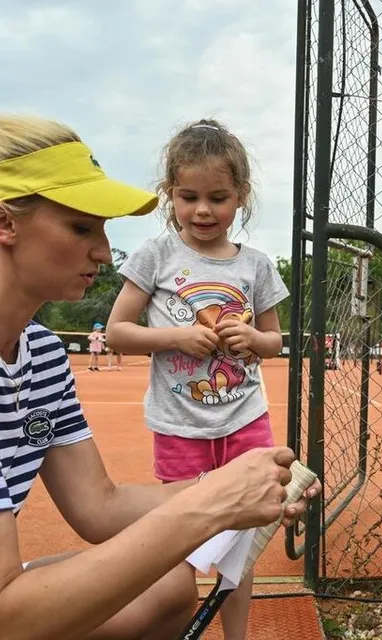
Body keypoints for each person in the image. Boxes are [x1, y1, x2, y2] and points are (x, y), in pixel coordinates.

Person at [0, 114, 320, 640]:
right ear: (6, 222)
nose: (105, 252)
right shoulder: (157, 262)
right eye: (82, 227)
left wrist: (241, 494)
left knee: (171, 587)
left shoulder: (43, 354)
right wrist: (208, 504)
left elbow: (99, 508)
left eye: (103, 230)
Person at [106, 118, 290, 640]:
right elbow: (119, 330)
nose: (203, 210)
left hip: (244, 418)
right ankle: (177, 626)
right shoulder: (155, 255)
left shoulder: (255, 266)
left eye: (218, 197)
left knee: (242, 540)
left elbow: (277, 341)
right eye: (188, 197)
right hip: (180, 422)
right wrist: (176, 338)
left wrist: (254, 341)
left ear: (241, 198)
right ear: (170, 195)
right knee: (182, 535)